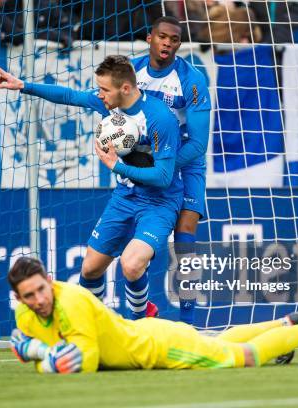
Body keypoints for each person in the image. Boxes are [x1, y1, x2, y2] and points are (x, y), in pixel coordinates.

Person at [0, 55, 183, 319]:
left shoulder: (160, 118)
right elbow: (70, 96)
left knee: (131, 264)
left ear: (125, 88)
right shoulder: (110, 104)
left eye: (104, 89)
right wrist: (23, 85)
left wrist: (117, 166)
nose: (99, 94)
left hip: (159, 202)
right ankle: (94, 324)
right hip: (125, 197)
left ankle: (142, 323)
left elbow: (163, 176)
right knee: (90, 269)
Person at [7, 256, 298, 373]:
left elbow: (85, 360)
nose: (39, 299)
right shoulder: (26, 316)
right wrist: (40, 350)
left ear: (50, 281)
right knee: (213, 342)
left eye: (41, 289)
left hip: (159, 350)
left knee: (242, 358)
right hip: (151, 334)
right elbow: (39, 341)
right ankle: (284, 325)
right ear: (20, 299)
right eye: (29, 295)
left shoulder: (71, 301)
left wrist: (38, 355)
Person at [131, 16, 211, 325]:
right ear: (150, 38)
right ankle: (142, 312)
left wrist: (164, 165)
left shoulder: (191, 80)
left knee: (185, 235)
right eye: (161, 36)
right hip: (147, 158)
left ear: (178, 44)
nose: (167, 43)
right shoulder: (132, 72)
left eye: (173, 39)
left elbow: (199, 144)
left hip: (185, 159)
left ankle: (188, 321)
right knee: (141, 235)